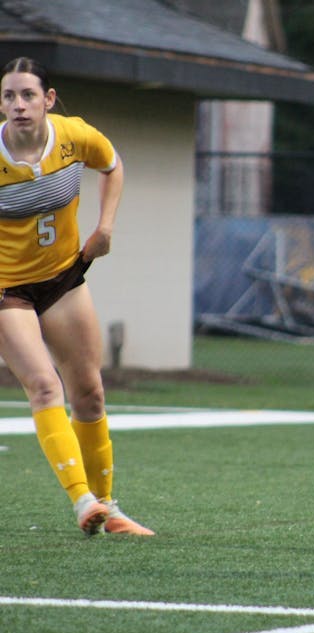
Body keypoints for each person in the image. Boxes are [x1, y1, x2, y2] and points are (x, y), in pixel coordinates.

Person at [0, 57, 153, 536]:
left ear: (48, 100)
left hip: (63, 278)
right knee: (45, 386)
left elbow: (112, 165)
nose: (18, 105)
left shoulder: (74, 135)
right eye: (9, 96)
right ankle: (82, 500)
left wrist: (105, 228)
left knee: (89, 393)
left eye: (28, 95)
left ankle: (110, 509)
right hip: (8, 290)